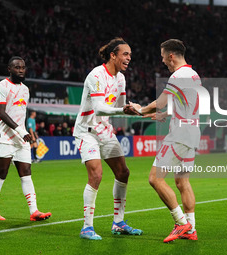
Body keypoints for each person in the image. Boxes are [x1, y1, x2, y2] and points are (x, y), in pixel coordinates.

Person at [130, 39, 200, 243]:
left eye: (163, 57)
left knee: (155, 178)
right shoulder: (193, 75)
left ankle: (180, 223)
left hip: (179, 135)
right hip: (192, 132)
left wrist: (140, 109)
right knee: (182, 182)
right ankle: (191, 228)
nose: (162, 61)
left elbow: (160, 102)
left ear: (171, 55)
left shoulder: (178, 75)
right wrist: (165, 114)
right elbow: (184, 103)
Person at [73, 38, 142, 240]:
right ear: (113, 55)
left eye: (130, 54)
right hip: (87, 131)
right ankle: (87, 227)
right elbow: (100, 107)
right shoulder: (96, 75)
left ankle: (118, 223)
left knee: (123, 172)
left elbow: (120, 108)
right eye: (125, 54)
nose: (129, 58)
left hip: (105, 130)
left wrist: (141, 112)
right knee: (96, 175)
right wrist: (124, 109)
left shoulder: (120, 79)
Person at [0, 56, 51, 221]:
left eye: (23, 67)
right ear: (9, 69)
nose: (21, 70)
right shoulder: (0, 87)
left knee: (26, 173)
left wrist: (25, 131)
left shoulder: (25, 89)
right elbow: (1, 114)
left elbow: (22, 114)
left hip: (21, 137)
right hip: (3, 136)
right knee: (2, 172)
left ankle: (34, 211)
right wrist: (20, 131)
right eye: (17, 67)